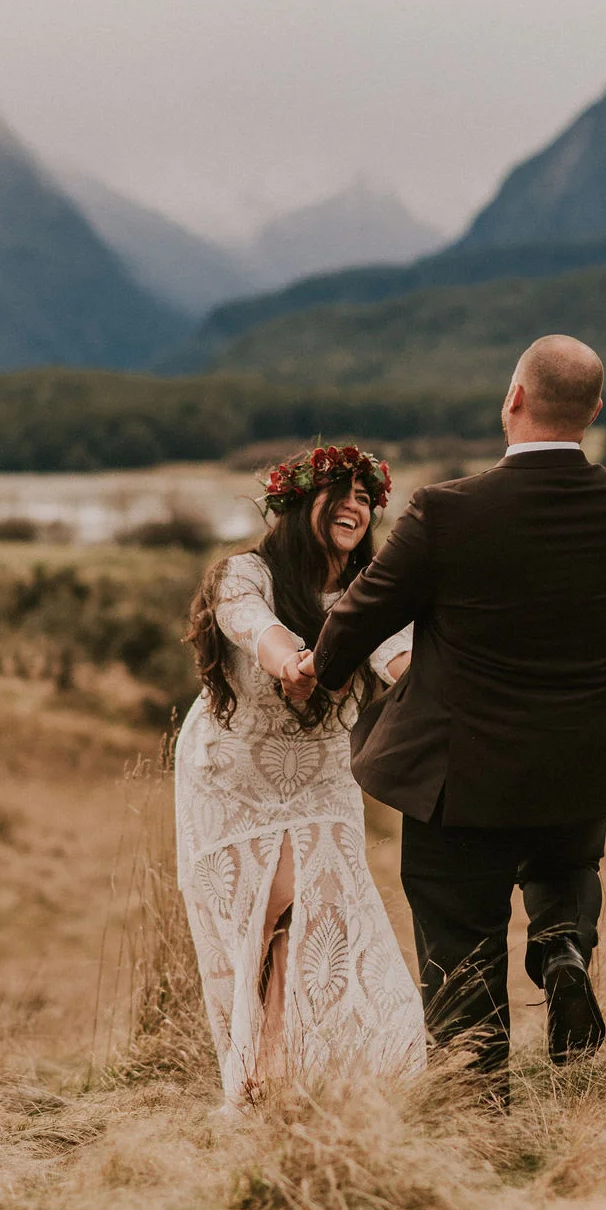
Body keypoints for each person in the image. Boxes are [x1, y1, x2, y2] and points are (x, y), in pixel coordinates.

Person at [292, 335, 606, 1104]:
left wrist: (319, 674)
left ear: (513, 398)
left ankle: (475, 1100)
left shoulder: (447, 512)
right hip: (580, 762)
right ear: (594, 411)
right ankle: (563, 948)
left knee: (460, 932)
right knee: (566, 869)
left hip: (464, 772)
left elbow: (363, 614)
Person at [177, 445, 427, 1110]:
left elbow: (394, 649)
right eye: (339, 492)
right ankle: (263, 1064)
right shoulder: (245, 573)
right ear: (296, 505)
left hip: (319, 776)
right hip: (228, 774)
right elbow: (251, 625)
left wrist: (426, 684)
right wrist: (292, 658)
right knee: (259, 922)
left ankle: (279, 1068)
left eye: (365, 496)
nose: (356, 505)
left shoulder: (370, 589)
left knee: (316, 916)